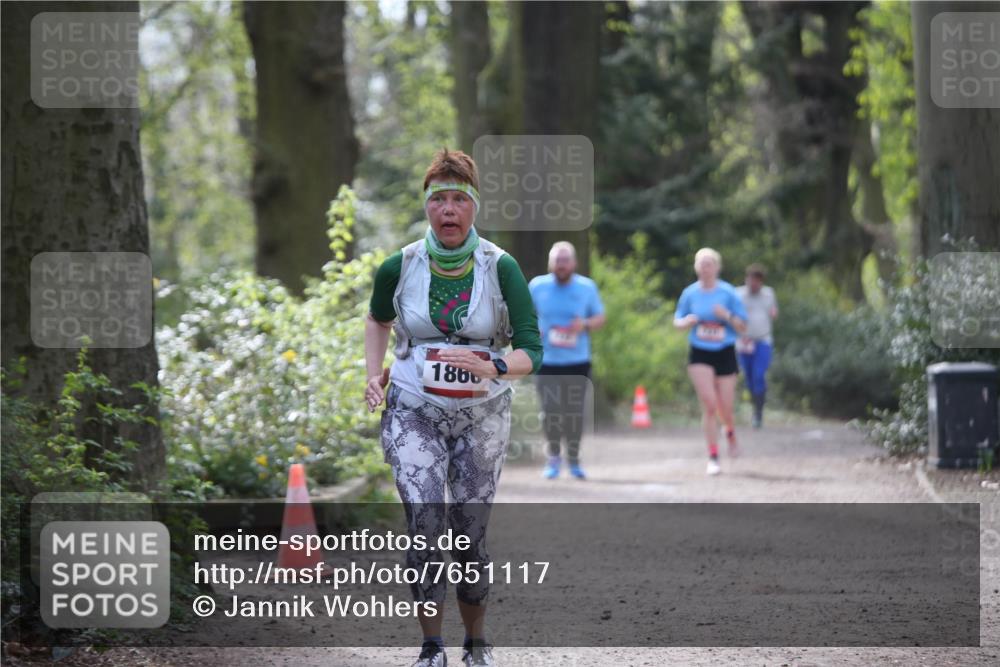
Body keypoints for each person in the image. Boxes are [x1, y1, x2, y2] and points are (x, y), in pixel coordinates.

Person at [364, 149, 543, 667]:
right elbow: (377, 319)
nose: (448, 210)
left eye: (458, 199)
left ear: (473, 207)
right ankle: (430, 647)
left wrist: (497, 367)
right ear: (426, 207)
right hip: (413, 408)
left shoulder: (500, 266)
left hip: (483, 413)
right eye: (438, 199)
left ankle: (475, 642)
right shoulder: (399, 265)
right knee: (424, 521)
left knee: (469, 533)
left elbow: (534, 349)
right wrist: (372, 372)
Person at [528, 241, 606, 480]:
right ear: (551, 263)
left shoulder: (587, 287)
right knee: (550, 412)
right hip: (547, 360)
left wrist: (583, 325)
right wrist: (533, 330)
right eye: (557, 260)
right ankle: (553, 457)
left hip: (578, 361)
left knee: (574, 413)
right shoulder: (537, 286)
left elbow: (600, 318)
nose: (561, 265)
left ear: (574, 263)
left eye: (565, 260)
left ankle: (573, 459)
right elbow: (524, 316)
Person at [673, 248, 748, 476]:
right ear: (696, 267)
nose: (705, 268)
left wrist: (726, 316)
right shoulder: (690, 293)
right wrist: (686, 322)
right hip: (700, 352)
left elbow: (743, 326)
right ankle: (713, 456)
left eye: (709, 264)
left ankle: (730, 431)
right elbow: (676, 320)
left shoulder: (728, 293)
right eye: (701, 264)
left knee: (725, 407)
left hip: (724, 351)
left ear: (717, 267)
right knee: (709, 404)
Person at [735, 264, 778, 428]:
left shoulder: (769, 294)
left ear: (761, 282)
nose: (753, 284)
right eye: (751, 280)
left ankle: (758, 414)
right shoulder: (737, 294)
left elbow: (773, 311)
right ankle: (754, 407)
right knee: (749, 377)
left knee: (759, 374)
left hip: (762, 340)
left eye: (757, 281)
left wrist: (774, 313)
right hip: (744, 342)